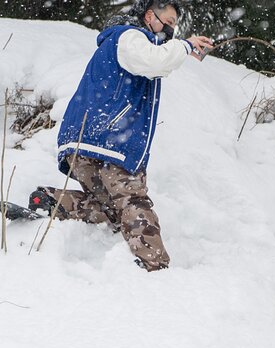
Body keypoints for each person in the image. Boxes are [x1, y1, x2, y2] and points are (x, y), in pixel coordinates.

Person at [28, 0, 212, 271]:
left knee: (113, 209)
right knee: (132, 200)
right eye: (169, 22)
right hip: (111, 138)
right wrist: (184, 45)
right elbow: (154, 61)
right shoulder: (128, 35)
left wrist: (180, 51)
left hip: (86, 141)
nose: (171, 30)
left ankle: (55, 201)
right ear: (150, 16)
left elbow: (156, 58)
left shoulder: (124, 41)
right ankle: (156, 266)